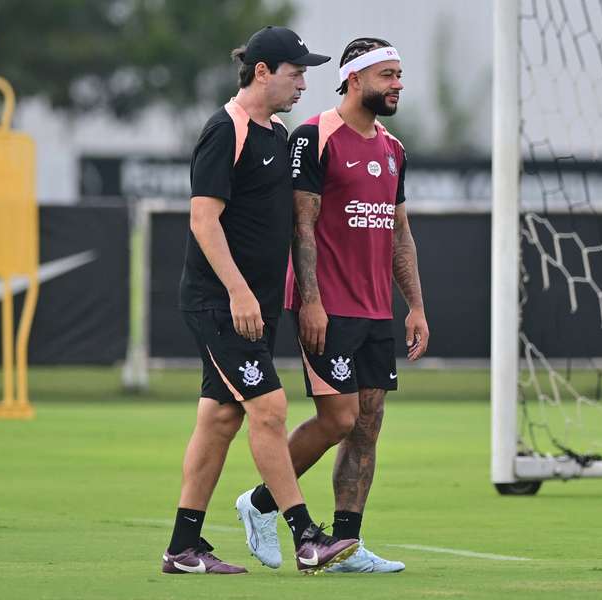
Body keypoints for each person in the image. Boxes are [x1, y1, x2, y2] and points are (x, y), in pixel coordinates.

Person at [161, 26, 358, 576]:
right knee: (268, 408)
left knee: (221, 418)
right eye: (296, 73)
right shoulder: (225, 129)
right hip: (220, 303)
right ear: (263, 71)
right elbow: (204, 220)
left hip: (255, 306)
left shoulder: (277, 135)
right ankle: (306, 536)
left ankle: (183, 549)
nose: (302, 84)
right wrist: (239, 291)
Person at [236, 37, 429, 573]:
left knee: (367, 424)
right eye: (388, 75)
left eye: (399, 75)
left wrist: (414, 306)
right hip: (327, 304)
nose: (398, 85)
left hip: (374, 311)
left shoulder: (394, 149)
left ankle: (346, 543)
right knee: (339, 418)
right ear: (354, 79)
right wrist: (312, 301)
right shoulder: (314, 136)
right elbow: (302, 224)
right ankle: (258, 504)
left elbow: (400, 234)